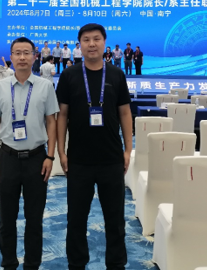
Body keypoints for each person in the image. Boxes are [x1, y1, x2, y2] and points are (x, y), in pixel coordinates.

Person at [56, 23, 133, 271]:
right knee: (76, 219)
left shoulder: (116, 74)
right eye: (86, 39)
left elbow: (125, 113)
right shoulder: (69, 75)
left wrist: (128, 149)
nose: (91, 44)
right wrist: (61, 151)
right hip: (79, 160)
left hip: (111, 159)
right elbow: (62, 115)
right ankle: (77, 264)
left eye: (96, 39)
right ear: (79, 44)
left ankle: (116, 265)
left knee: (115, 219)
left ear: (104, 43)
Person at [0, 37, 59, 271]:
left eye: (26, 53)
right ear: (11, 57)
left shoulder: (45, 86)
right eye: (17, 53)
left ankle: (32, 265)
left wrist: (50, 156)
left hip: (37, 159)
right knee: (6, 219)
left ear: (34, 56)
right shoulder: (0, 87)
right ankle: (9, 264)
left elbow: (52, 122)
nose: (22, 57)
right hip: (7, 158)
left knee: (34, 219)